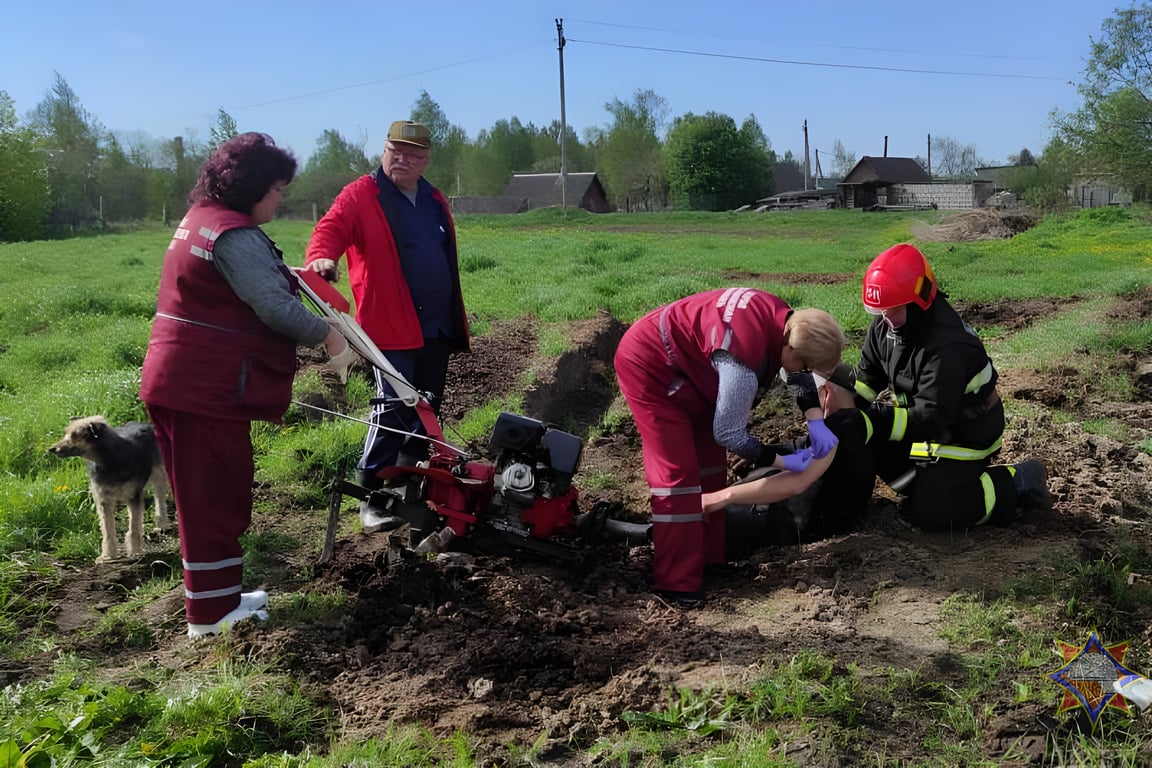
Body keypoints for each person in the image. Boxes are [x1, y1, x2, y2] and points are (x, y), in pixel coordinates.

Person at [140, 133, 353, 638]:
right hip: (201, 388)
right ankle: (211, 618)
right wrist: (331, 337)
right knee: (213, 497)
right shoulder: (234, 235)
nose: (281, 198)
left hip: (186, 381)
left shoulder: (204, 219)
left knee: (214, 491)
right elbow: (275, 308)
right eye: (278, 188)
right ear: (254, 186)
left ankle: (220, 596)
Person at [613, 287, 847, 603]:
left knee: (710, 467)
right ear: (790, 349)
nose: (805, 377)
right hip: (650, 365)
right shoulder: (742, 359)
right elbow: (730, 434)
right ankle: (675, 584)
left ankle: (709, 562)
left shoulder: (790, 321)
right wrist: (782, 461)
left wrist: (815, 421)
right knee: (677, 477)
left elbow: (797, 375)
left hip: (691, 369)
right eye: (806, 368)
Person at [303, 120, 470, 532]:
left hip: (436, 324)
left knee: (428, 406)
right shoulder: (362, 194)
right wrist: (323, 258)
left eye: (413, 154)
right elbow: (330, 229)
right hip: (389, 325)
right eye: (396, 150)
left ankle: (414, 483)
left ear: (426, 159)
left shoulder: (432, 198)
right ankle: (371, 496)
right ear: (384, 150)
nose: (403, 159)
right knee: (392, 408)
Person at [825, 242, 1050, 531]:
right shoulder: (886, 327)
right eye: (881, 309)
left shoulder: (948, 347)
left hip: (961, 440)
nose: (885, 317)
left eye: (894, 308)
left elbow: (932, 419)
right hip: (926, 440)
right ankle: (926, 484)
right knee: (878, 453)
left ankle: (1017, 481)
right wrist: (834, 404)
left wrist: (871, 421)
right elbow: (866, 383)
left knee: (934, 511)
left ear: (919, 301)